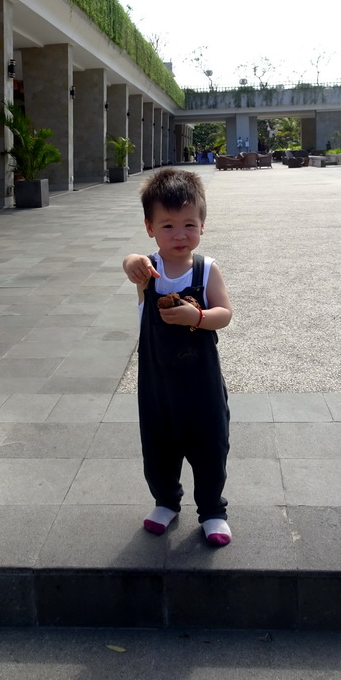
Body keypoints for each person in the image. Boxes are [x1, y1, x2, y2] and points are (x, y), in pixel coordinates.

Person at [122, 168, 234, 546]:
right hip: (157, 387)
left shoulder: (206, 269)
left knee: (210, 447)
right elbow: (129, 265)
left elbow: (225, 314)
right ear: (150, 227)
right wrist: (130, 261)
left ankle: (213, 511)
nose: (180, 234)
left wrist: (197, 316)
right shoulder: (148, 273)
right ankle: (166, 501)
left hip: (200, 385)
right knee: (157, 449)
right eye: (167, 226)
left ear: (202, 225)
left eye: (189, 224)